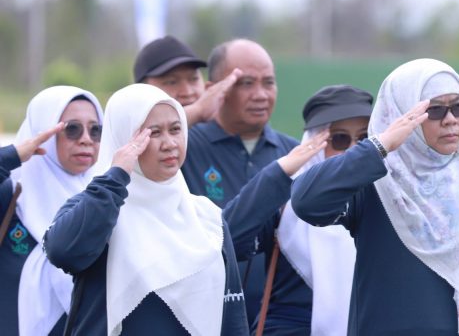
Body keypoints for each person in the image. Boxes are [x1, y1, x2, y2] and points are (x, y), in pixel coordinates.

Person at [291, 59, 459, 335]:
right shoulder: (378, 183)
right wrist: (380, 145)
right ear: (404, 115)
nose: (450, 119)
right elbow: (306, 201)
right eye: (434, 110)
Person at [44, 84, 248, 335]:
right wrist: (116, 175)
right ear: (123, 139)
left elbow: (231, 314)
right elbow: (63, 252)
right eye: (153, 133)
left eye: (176, 129)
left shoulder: (207, 217)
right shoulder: (100, 206)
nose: (170, 143)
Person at [224, 84, 369, 335]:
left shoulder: (389, 201)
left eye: (364, 138)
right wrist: (279, 173)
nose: (354, 149)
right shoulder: (286, 202)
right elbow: (229, 239)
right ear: (314, 142)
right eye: (340, 139)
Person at [181, 38, 299, 319]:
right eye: (245, 83)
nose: (260, 94)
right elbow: (131, 143)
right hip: (203, 317)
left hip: (277, 322)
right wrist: (196, 111)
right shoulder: (184, 148)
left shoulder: (294, 154)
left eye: (268, 82)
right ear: (214, 90)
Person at [0, 86, 103, 336]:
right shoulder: (12, 196)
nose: (86, 139)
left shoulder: (106, 200)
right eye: (72, 129)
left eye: (95, 130)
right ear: (43, 132)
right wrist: (13, 155)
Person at [134, 35, 241, 127]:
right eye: (172, 82)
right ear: (141, 90)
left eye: (193, 79)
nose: (187, 92)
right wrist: (198, 110)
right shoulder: (130, 140)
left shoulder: (225, 131)